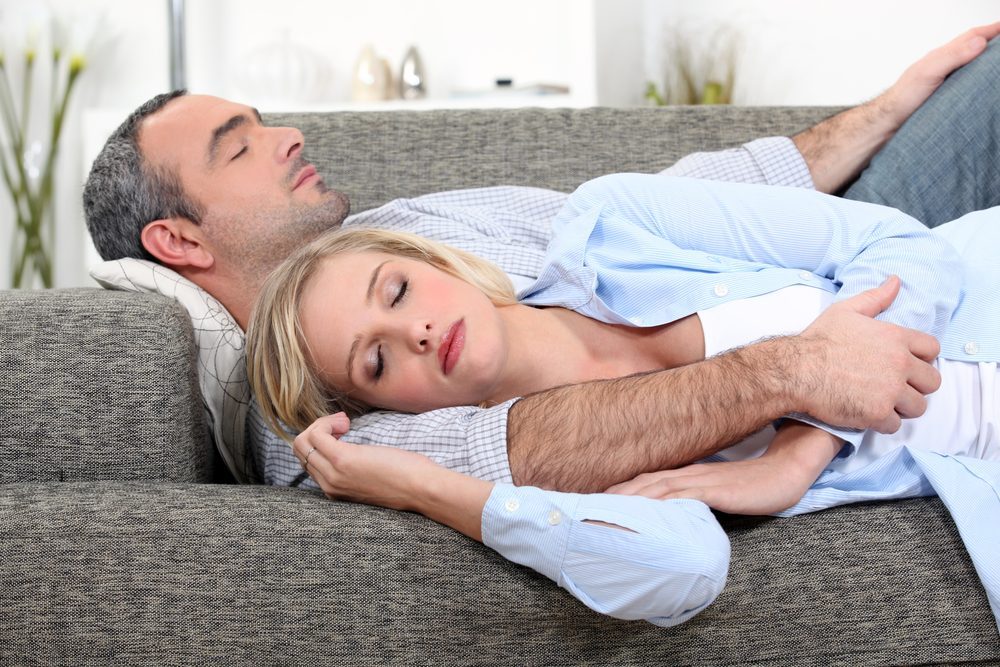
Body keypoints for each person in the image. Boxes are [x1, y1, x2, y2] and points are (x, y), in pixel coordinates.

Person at [81, 25, 1000, 499]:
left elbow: (657, 204)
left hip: (845, 259)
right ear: (180, 242)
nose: (286, 135)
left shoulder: (407, 223)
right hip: (860, 348)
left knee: (978, 80)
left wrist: (884, 110)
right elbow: (521, 453)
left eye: (399, 289)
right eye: (240, 147)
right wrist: (795, 384)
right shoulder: (302, 423)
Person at [246, 173, 1000, 628]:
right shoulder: (574, 466)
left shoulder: (611, 221)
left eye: (398, 289)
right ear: (394, 414)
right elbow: (683, 565)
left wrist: (800, 450)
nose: (414, 330)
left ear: (429, 259)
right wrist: (420, 485)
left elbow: (911, 249)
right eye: (375, 360)